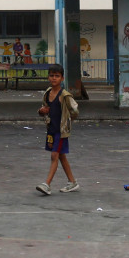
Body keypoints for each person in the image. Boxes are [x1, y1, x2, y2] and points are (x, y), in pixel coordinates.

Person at [36, 64, 80, 195]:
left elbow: (75, 111)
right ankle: (72, 182)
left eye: (57, 76)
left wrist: (68, 121)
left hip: (61, 132)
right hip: (51, 130)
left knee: (54, 155)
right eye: (51, 76)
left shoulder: (65, 96)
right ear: (48, 77)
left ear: (62, 78)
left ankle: (47, 184)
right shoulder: (47, 93)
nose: (54, 78)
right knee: (61, 156)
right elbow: (43, 109)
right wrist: (41, 111)